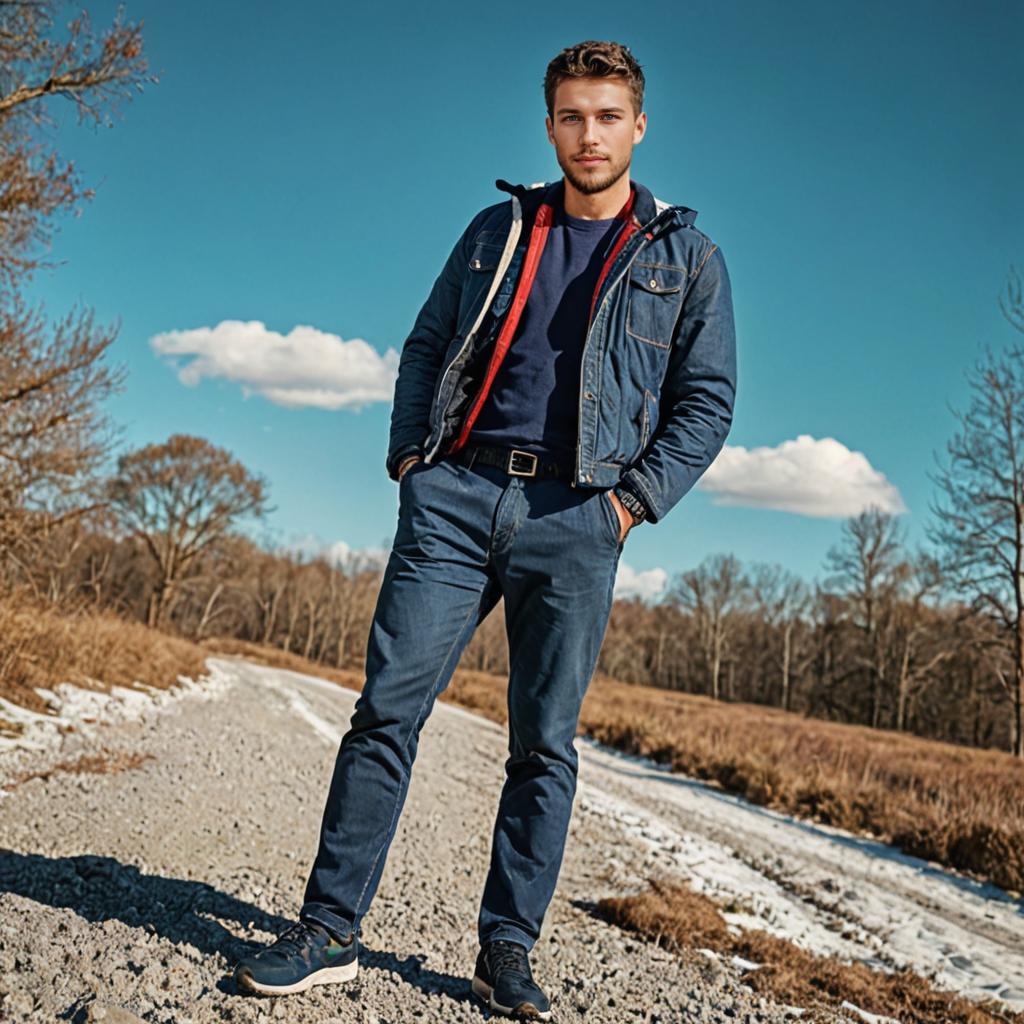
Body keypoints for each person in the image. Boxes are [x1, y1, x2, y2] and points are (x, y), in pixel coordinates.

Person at [232, 38, 736, 1019]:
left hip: (577, 514)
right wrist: (411, 464)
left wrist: (627, 506)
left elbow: (704, 404)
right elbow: (426, 343)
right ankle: (329, 928)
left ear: (637, 126)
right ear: (549, 125)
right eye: (568, 116)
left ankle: (504, 949)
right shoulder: (497, 230)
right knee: (387, 710)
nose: (586, 135)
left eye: (605, 116)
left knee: (542, 743)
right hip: (456, 498)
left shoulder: (687, 259)